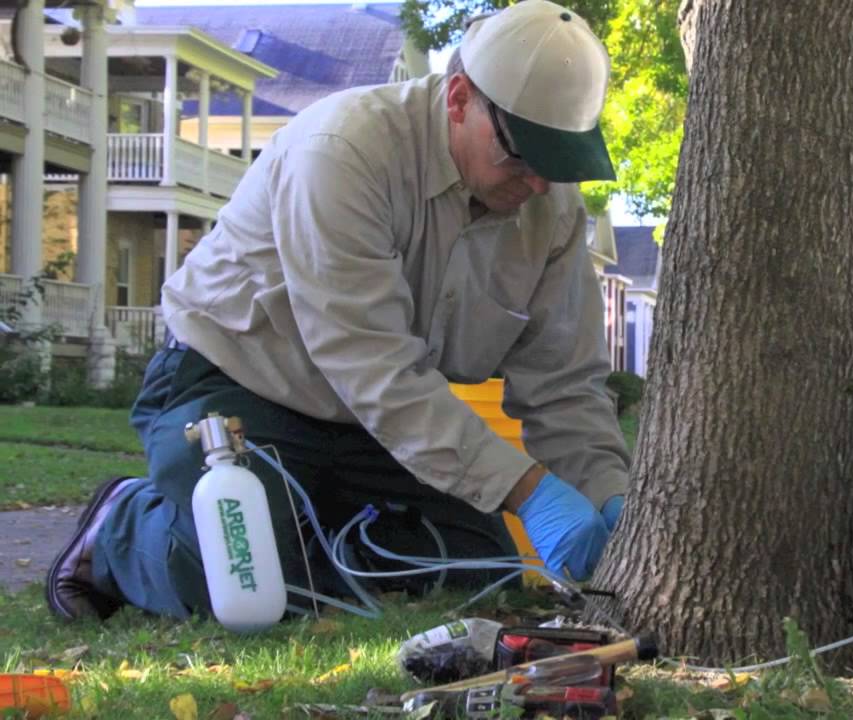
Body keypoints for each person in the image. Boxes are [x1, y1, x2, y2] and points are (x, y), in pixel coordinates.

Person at [47, 0, 629, 624]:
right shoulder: (344, 150)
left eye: (559, 159)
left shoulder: (554, 209)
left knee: (473, 568)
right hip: (230, 384)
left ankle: (307, 535)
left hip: (370, 424)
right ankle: (122, 526)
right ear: (459, 99)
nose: (539, 182)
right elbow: (373, 364)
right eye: (523, 154)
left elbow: (564, 386)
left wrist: (613, 501)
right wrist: (530, 491)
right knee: (250, 583)